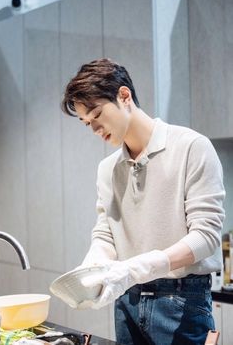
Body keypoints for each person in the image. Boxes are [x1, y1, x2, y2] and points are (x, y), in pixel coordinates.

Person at [59, 58, 225, 345]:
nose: (95, 129)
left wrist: (135, 268)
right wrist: (93, 267)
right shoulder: (107, 169)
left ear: (124, 96)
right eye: (87, 124)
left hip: (182, 300)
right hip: (127, 300)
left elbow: (205, 237)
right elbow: (106, 232)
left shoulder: (191, 147)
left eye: (97, 115)